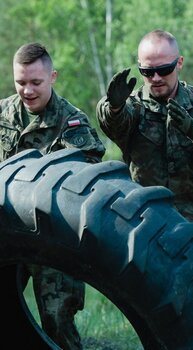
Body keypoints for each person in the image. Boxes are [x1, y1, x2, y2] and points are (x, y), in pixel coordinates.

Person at [0, 42, 105, 349]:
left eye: (36, 83)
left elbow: (88, 179)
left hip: (52, 241)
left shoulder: (72, 123)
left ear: (53, 77)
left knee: (58, 321)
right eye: (21, 82)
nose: (27, 91)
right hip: (7, 235)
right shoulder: (2, 115)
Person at [96, 29, 193, 255]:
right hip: (144, 225)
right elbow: (114, 126)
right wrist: (113, 108)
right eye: (147, 71)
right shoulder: (132, 106)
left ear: (179, 63)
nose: (156, 78)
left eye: (164, 69)